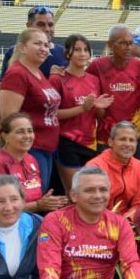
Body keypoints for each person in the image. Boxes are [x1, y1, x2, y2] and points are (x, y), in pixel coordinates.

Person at [0, 28, 63, 192]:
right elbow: (9, 118)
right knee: (31, 197)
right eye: (37, 43)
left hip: (47, 147)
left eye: (46, 45)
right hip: (31, 148)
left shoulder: (37, 72)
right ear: (22, 47)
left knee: (40, 195)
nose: (43, 48)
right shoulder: (17, 74)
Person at [51, 35, 114, 192]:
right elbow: (52, 114)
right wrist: (82, 108)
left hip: (90, 142)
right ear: (67, 53)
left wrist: (99, 107)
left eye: (86, 50)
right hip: (67, 141)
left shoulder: (93, 80)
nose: (82, 54)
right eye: (77, 50)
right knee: (75, 192)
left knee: (90, 189)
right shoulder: (57, 79)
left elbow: (98, 115)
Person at [0, 113, 67, 213]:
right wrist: (38, 205)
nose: (27, 136)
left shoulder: (31, 159)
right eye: (20, 132)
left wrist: (50, 203)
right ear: (5, 136)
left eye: (30, 131)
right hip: (6, 221)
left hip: (31, 217)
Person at [87, 24, 140, 157]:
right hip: (106, 136)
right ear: (110, 44)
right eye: (123, 43)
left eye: (131, 43)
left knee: (134, 175)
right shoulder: (97, 66)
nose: (128, 48)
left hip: (134, 135)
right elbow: (83, 83)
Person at [87, 121, 140, 220]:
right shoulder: (95, 166)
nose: (127, 144)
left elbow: (138, 204)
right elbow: (90, 204)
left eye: (132, 140)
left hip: (126, 221)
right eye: (122, 139)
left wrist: (127, 219)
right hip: (97, 219)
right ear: (110, 142)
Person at [0, 5, 67, 79]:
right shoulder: (14, 52)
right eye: (41, 24)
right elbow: (4, 86)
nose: (47, 29)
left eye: (50, 25)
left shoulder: (65, 53)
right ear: (29, 26)